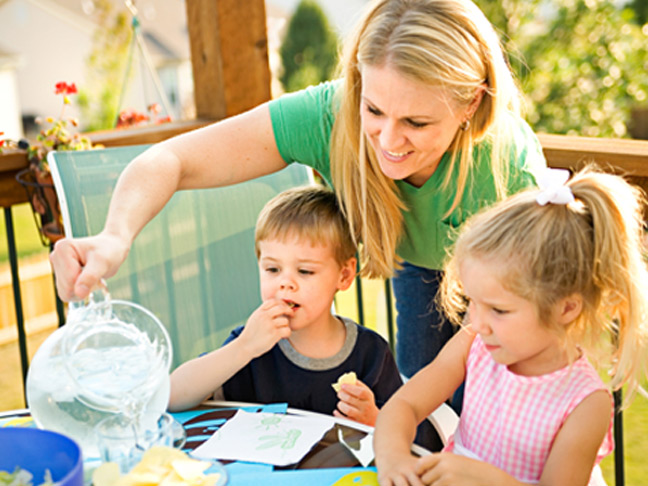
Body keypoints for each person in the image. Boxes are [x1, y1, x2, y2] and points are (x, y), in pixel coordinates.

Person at [49, 0, 546, 388]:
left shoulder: (506, 167)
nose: (389, 143)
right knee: (426, 402)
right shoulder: (329, 114)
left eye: (416, 122)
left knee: (489, 404)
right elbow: (170, 160)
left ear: (470, 104)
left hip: (514, 283)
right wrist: (116, 236)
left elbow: (538, 311)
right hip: (417, 264)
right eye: (374, 111)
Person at [373, 167, 648, 486]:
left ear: (566, 308)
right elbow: (404, 404)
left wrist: (486, 480)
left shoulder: (586, 403)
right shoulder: (473, 342)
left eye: (499, 310)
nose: (476, 322)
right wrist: (394, 458)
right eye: (472, 302)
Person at [167, 185, 402, 427]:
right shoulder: (251, 344)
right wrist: (244, 347)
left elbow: (411, 436)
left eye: (305, 271)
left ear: (343, 275)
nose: (285, 283)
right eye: (272, 269)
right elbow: (172, 397)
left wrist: (374, 420)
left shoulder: (370, 353)